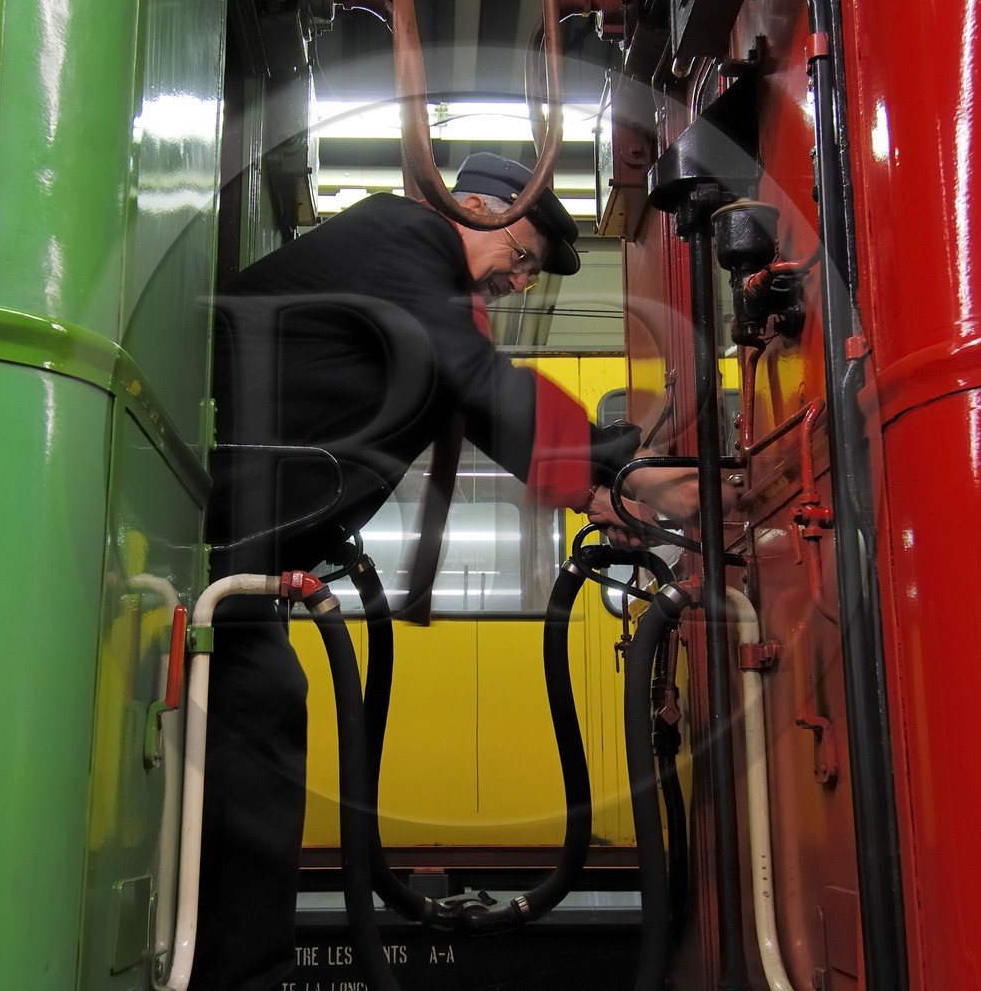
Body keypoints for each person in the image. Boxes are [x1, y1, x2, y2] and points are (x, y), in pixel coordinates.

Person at [196, 151, 711, 990]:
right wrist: (624, 470)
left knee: (260, 735)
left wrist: (592, 491)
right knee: (255, 749)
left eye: (530, 274)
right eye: (522, 257)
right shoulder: (398, 232)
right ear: (473, 205)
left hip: (237, 553)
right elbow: (472, 378)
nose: (518, 281)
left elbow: (470, 399)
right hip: (216, 548)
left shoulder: (410, 279)